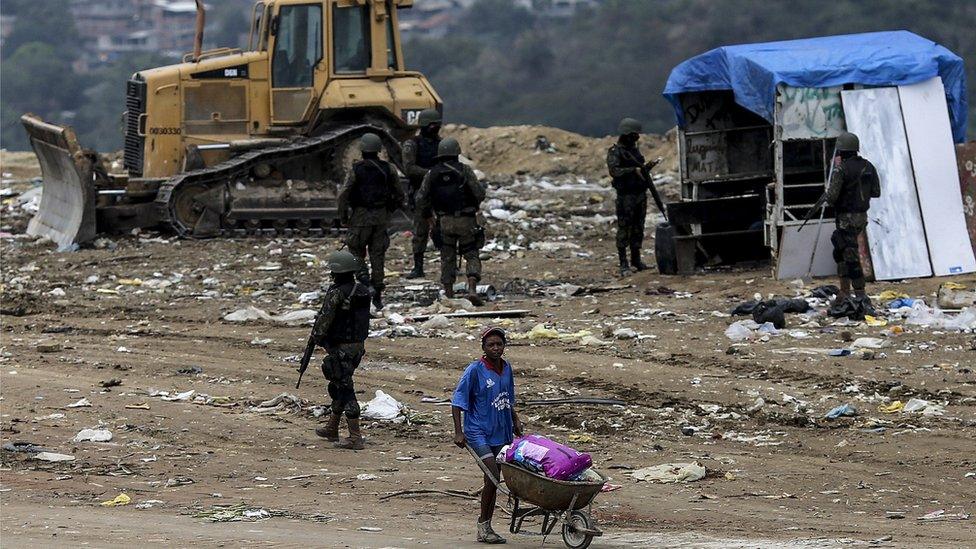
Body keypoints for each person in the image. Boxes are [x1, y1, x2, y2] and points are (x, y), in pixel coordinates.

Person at [452, 327, 523, 544]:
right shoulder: (474, 370)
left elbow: (507, 398)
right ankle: (483, 525)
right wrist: (458, 431)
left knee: (492, 479)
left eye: (499, 344)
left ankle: (486, 527)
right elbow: (457, 401)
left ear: (504, 346)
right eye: (491, 345)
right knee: (492, 474)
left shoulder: (507, 368)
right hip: (477, 432)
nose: (495, 348)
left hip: (500, 432)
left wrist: (515, 419)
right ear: (483, 347)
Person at [337, 132, 404, 310]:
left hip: (359, 217)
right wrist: (389, 210)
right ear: (378, 150)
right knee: (378, 256)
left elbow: (344, 194)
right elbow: (399, 194)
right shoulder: (388, 168)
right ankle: (378, 296)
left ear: (362, 150)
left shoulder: (355, 169)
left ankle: (364, 280)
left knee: (355, 252)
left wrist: (344, 217)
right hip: (381, 217)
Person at [312, 250, 372, 450]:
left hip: (341, 346)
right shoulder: (362, 290)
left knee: (345, 389)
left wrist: (317, 337)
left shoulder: (338, 292)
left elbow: (325, 318)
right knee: (339, 384)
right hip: (357, 346)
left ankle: (355, 436)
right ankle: (332, 427)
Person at [415, 137, 487, 301]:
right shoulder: (465, 170)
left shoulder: (431, 173)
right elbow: (479, 193)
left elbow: (420, 199)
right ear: (456, 153)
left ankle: (449, 293)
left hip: (444, 221)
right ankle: (472, 289)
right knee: (471, 253)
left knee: (447, 256)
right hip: (466, 220)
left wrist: (428, 216)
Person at [825, 130, 880, 308]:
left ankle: (859, 295)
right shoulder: (869, 166)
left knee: (850, 255)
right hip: (861, 217)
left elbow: (832, 197)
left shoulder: (841, 170)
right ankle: (845, 292)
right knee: (839, 248)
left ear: (841, 151)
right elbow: (876, 192)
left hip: (845, 218)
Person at [606, 117, 662, 276]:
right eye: (634, 135)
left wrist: (647, 167)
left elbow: (640, 169)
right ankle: (623, 263)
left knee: (638, 227)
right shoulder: (615, 152)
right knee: (625, 228)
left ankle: (636, 260)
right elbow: (614, 171)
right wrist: (632, 170)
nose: (637, 138)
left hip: (639, 194)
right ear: (627, 135)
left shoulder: (634, 151)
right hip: (626, 196)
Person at [402, 108, 443, 279]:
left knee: (443, 231)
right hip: (421, 194)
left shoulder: (441, 144)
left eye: (437, 125)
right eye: (432, 125)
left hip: (441, 193)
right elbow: (409, 168)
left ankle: (449, 265)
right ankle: (418, 267)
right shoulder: (412, 144)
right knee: (420, 232)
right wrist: (430, 173)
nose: (435, 128)